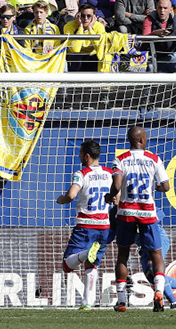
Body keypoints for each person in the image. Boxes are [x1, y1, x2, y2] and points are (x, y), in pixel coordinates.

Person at [104, 126, 170, 312]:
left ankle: (122, 300)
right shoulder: (154, 159)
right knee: (156, 255)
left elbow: (116, 185)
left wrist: (111, 196)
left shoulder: (121, 159)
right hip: (148, 213)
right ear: (141, 140)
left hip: (126, 213)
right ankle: (158, 292)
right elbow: (166, 186)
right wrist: (156, 187)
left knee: (123, 256)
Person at [56, 140, 112, 311]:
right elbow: (116, 197)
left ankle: (87, 253)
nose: (79, 156)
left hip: (85, 225)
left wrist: (61, 199)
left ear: (87, 156)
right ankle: (87, 303)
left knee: (67, 265)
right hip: (104, 226)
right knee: (92, 265)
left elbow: (71, 195)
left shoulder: (81, 173)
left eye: (81, 153)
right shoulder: (110, 173)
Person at [143, 0, 176, 73]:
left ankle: (173, 85)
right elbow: (144, 39)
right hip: (151, 55)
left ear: (171, 10)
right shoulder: (149, 19)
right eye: (160, 8)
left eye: (165, 8)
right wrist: (155, 33)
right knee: (151, 70)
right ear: (156, 8)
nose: (162, 11)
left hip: (169, 56)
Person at [64, 3, 106, 71]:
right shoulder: (69, 26)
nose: (85, 19)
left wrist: (90, 29)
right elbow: (75, 50)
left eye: (89, 16)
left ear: (94, 17)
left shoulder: (99, 26)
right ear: (78, 16)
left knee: (98, 57)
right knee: (76, 56)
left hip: (92, 56)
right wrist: (80, 27)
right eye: (83, 16)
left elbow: (99, 47)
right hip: (76, 57)